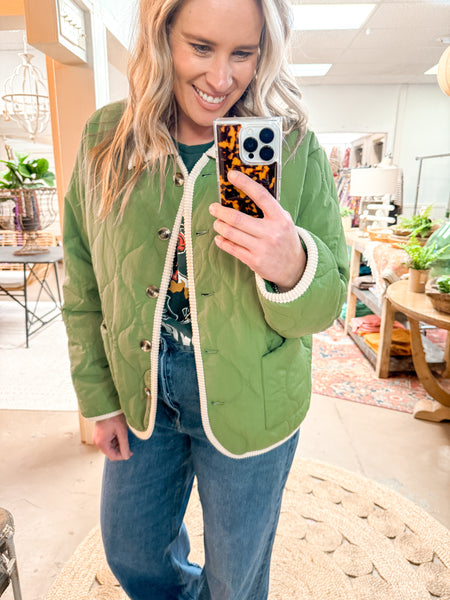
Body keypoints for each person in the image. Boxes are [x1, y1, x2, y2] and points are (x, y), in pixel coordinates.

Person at [62, 0, 349, 597]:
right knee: (131, 549)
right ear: (162, 35)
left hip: (253, 393)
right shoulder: (105, 140)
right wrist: (98, 398)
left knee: (236, 576)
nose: (222, 78)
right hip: (142, 386)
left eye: (243, 53)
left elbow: (328, 305)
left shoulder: (293, 148)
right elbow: (85, 281)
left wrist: (293, 264)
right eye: (200, 47)